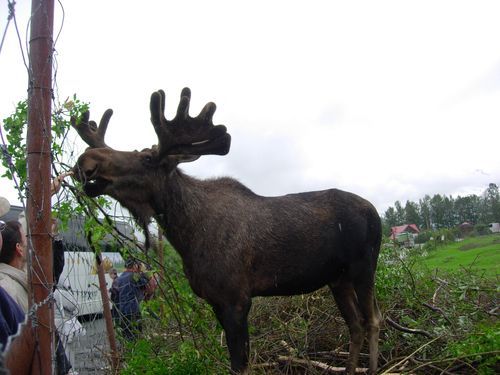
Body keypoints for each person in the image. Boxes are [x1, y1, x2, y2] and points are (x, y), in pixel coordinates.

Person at [116, 259, 156, 340]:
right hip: (133, 310)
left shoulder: (120, 278)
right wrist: (145, 271)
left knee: (127, 336)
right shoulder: (134, 276)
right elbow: (151, 285)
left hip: (123, 310)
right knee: (136, 335)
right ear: (135, 266)